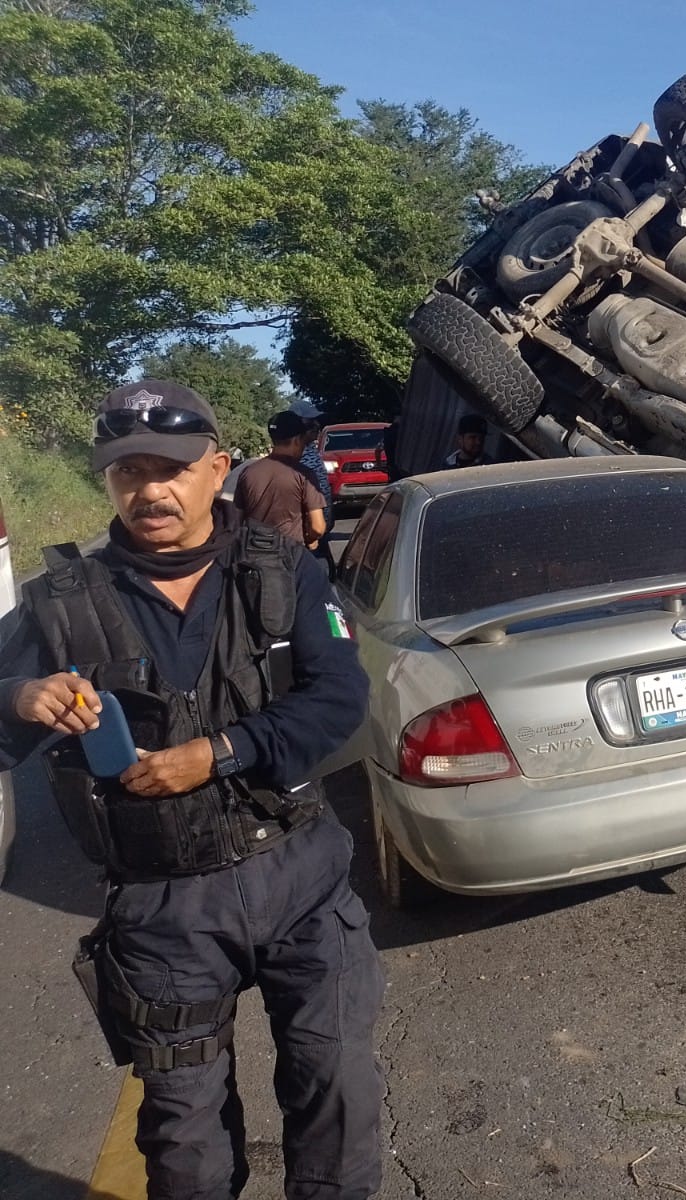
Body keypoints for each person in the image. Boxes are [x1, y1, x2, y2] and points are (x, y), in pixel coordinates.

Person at [0, 380, 384, 1200]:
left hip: (300, 876)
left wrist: (221, 753)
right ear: (105, 483)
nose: (150, 490)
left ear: (218, 470)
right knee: (183, 1144)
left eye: (170, 468)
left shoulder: (286, 573)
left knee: (338, 1096)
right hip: (163, 910)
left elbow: (341, 701)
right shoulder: (59, 604)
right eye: (127, 471)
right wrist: (17, 697)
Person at [232, 410, 328, 549]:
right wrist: (311, 540)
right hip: (290, 555)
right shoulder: (303, 474)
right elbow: (317, 527)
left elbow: (236, 520)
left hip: (253, 555)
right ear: (296, 440)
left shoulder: (248, 472)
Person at [290, 400, 336, 571]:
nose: (317, 425)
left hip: (320, 531)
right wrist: (312, 535)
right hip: (309, 537)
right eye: (311, 422)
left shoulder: (310, 449)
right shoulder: (296, 456)